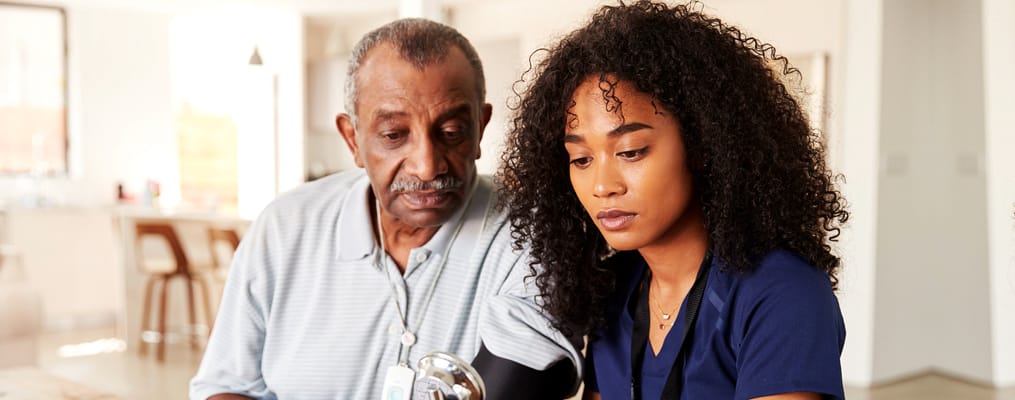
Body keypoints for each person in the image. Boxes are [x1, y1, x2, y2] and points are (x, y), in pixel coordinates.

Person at [190, 18, 580, 400]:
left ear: (480, 127)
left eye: (451, 133)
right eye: (394, 135)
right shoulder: (284, 228)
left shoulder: (532, 233)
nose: (427, 166)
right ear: (352, 139)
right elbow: (227, 386)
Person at [498, 1, 850, 399]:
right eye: (580, 158)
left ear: (701, 145)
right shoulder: (614, 291)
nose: (602, 185)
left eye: (630, 151)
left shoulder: (782, 293)